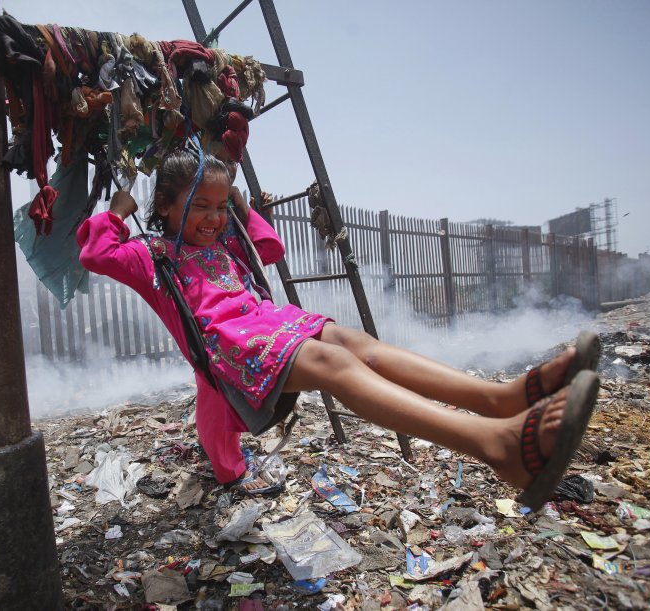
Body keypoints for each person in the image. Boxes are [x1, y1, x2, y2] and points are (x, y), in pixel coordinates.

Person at [77, 150, 601, 510]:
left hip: (270, 324)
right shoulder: (153, 257)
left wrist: (239, 207)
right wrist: (118, 212)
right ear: (165, 208)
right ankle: (496, 445)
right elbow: (95, 252)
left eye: (219, 208)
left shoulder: (225, 244)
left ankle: (499, 399)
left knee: (358, 344)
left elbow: (270, 248)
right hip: (231, 348)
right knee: (335, 365)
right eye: (200, 208)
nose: (213, 219)